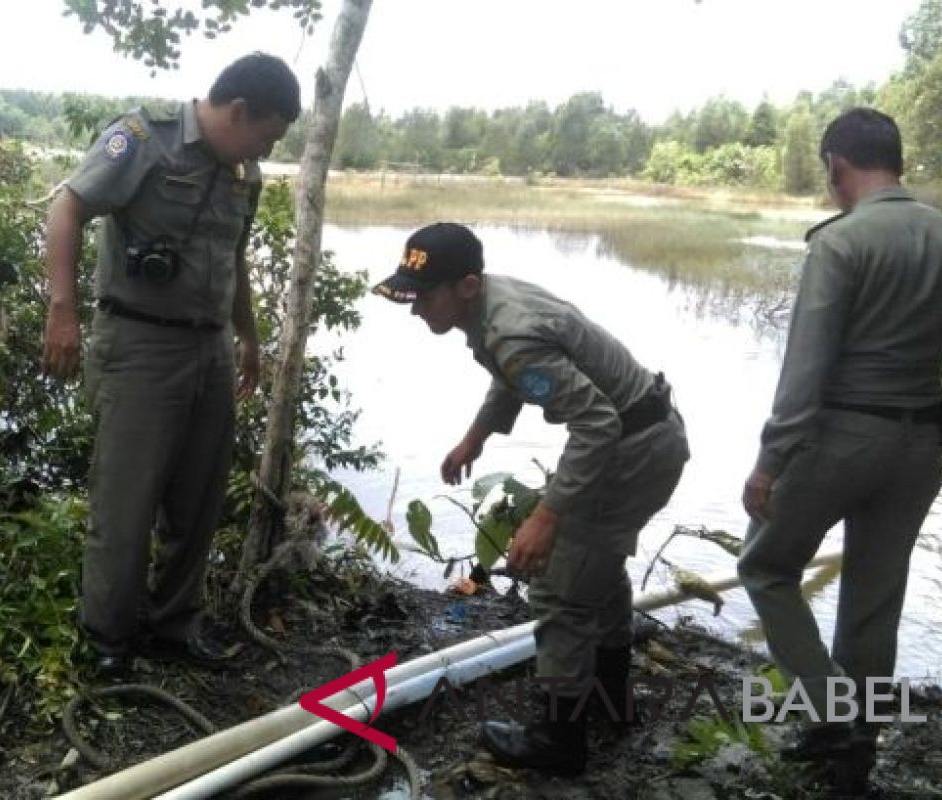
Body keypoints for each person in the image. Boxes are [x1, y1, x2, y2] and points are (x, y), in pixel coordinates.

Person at [372, 223, 690, 774]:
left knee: (559, 589)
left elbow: (595, 424)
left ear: (466, 286)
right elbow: (513, 376)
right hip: (650, 435)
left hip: (631, 449)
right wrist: (477, 436)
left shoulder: (509, 332)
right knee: (597, 561)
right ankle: (611, 703)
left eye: (424, 295)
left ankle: (557, 742)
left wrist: (546, 516)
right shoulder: (495, 303)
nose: (415, 308)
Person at [41, 53, 301, 675]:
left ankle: (173, 624)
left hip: (207, 347)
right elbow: (67, 208)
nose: (266, 147)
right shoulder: (142, 140)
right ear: (238, 111)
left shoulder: (244, 171)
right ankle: (106, 638)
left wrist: (248, 337)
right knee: (125, 503)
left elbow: (232, 259)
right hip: (138, 345)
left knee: (199, 496)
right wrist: (62, 310)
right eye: (266, 132)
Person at [738, 108, 942, 793]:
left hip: (842, 436)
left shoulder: (841, 243)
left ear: (835, 165)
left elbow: (805, 370)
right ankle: (857, 757)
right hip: (925, 444)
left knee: (765, 566)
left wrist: (770, 461)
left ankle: (832, 718)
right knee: (875, 597)